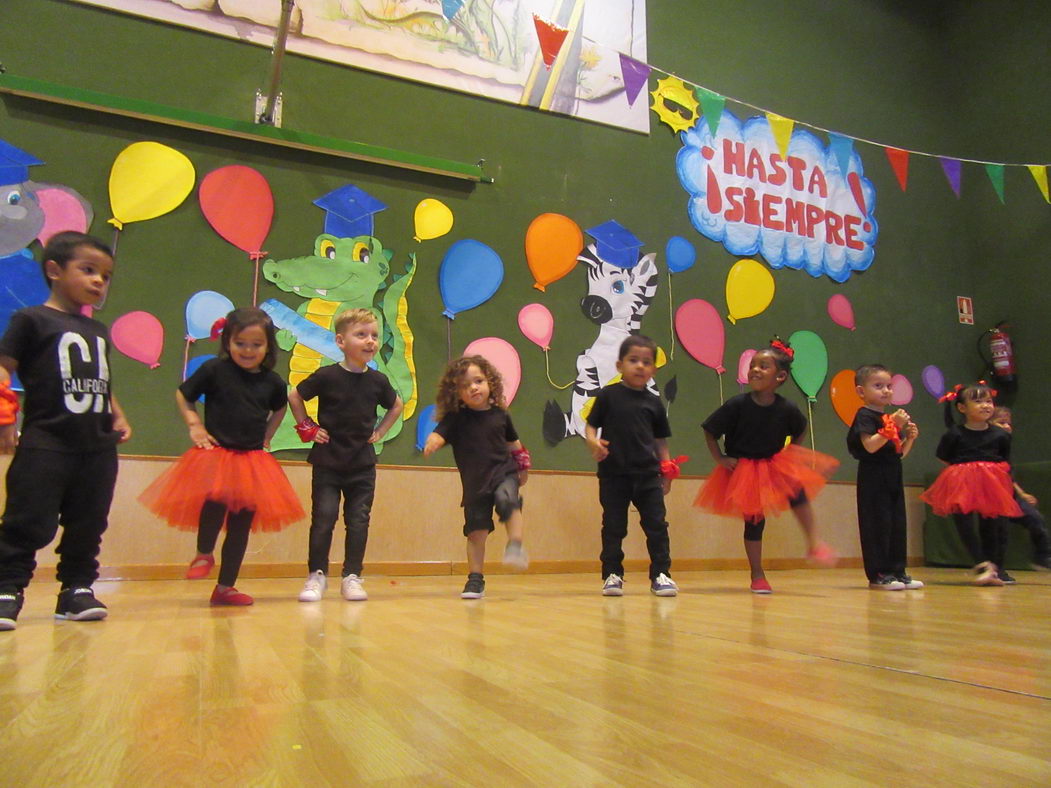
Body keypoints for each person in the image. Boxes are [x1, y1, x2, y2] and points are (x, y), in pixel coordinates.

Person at [0, 232, 131, 631]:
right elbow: (4, 368)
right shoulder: (31, 320)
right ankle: (7, 588)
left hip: (96, 448)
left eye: (105, 276)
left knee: (88, 523)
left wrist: (117, 415)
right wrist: (5, 418)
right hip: (47, 443)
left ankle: (76, 590)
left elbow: (100, 381)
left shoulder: (99, 331)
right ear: (54, 270)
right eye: (88, 270)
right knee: (28, 519)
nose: (98, 282)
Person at [138, 307, 304, 605]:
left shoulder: (273, 382)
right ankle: (204, 552)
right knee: (213, 505)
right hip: (217, 455)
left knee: (241, 527)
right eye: (240, 343)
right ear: (227, 341)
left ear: (268, 347)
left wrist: (268, 435)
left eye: (256, 344)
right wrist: (195, 425)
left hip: (253, 460)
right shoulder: (215, 370)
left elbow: (280, 407)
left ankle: (225, 587)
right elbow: (183, 394)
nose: (248, 350)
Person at [695, 338, 838, 594]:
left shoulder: (787, 409)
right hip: (745, 469)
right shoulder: (737, 405)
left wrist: (789, 453)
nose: (755, 370)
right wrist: (721, 458)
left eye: (763, 366)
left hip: (773, 465)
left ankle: (814, 542)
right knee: (754, 522)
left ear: (780, 376)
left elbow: (801, 429)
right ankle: (757, 573)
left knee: (799, 494)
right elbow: (709, 431)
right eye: (753, 365)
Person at [288, 308, 403, 602]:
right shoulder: (327, 376)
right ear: (341, 341)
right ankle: (317, 575)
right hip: (328, 461)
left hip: (362, 464)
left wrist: (380, 431)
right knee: (324, 517)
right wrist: (308, 428)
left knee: (359, 520)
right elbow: (294, 395)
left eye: (374, 336)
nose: (370, 341)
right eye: (361, 335)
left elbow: (396, 405)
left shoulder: (377, 381)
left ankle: (352, 575)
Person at [423, 355, 530, 599]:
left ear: (489, 382)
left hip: (504, 473)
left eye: (478, 380)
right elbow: (440, 434)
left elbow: (514, 443)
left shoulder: (500, 416)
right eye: (464, 385)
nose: (473, 387)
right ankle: (475, 579)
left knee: (508, 500)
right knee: (476, 532)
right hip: (475, 483)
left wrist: (523, 467)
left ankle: (515, 545)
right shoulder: (456, 418)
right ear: (456, 392)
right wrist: (433, 441)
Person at [584, 335, 682, 597]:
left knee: (657, 525)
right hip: (614, 475)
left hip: (648, 476)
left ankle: (661, 574)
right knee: (614, 525)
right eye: (633, 360)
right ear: (619, 365)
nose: (640, 366)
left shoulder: (654, 402)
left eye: (646, 362)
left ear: (653, 369)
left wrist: (667, 470)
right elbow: (591, 425)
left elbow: (660, 440)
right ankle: (612, 574)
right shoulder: (608, 395)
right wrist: (593, 442)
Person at [920, 382, 1021, 586]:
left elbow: (1004, 460)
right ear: (962, 408)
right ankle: (981, 563)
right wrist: (966, 471)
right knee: (964, 523)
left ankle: (995, 568)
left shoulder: (1000, 434)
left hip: (992, 482)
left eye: (988, 401)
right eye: (977, 401)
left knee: (992, 525)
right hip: (962, 481)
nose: (985, 405)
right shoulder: (955, 434)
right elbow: (944, 457)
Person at [847, 365, 922, 590]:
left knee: (897, 523)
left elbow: (898, 454)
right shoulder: (865, 415)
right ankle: (879, 574)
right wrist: (892, 428)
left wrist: (909, 439)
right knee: (877, 523)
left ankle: (898, 570)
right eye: (878, 386)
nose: (886, 391)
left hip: (892, 473)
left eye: (889, 386)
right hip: (873, 476)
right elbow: (870, 446)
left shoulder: (889, 418)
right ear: (861, 392)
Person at [989, 406, 1050, 575]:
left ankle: (1042, 557)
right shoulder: (988, 446)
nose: (1007, 427)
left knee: (1035, 519)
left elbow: (1007, 474)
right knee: (999, 534)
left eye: (1009, 423)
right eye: (1001, 423)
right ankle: (997, 570)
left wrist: (1022, 494)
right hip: (994, 496)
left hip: (1011, 496)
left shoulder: (1004, 445)